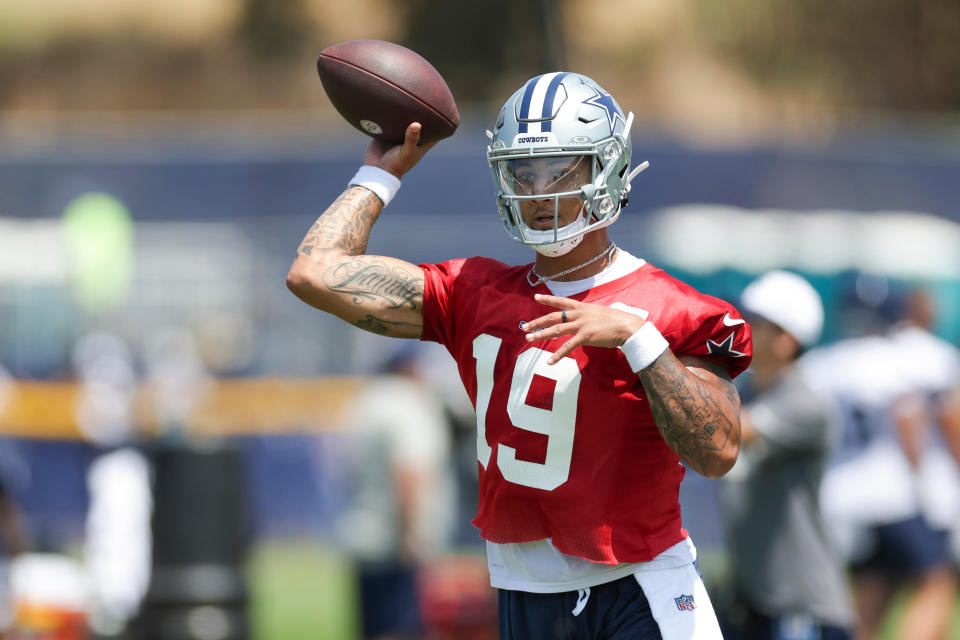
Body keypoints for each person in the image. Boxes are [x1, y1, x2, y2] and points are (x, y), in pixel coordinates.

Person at [287, 72, 752, 639]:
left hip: (640, 588)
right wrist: (379, 174)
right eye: (522, 172)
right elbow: (314, 273)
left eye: (561, 170)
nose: (539, 191)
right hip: (524, 595)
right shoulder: (473, 293)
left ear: (606, 168)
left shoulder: (669, 308)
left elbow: (719, 452)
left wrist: (641, 341)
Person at [802, 279, 958, 640]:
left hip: (838, 498)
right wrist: (925, 486)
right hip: (890, 497)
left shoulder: (820, 365)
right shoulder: (898, 361)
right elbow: (909, 420)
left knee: (870, 597)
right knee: (937, 583)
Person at [717, 271, 855, 640]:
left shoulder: (807, 403)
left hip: (801, 603)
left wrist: (663, 368)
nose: (743, 328)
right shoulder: (745, 390)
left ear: (786, 340)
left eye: (756, 322)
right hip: (755, 597)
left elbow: (729, 427)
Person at [336, 344, 456, 640]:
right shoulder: (409, 404)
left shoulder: (366, 401)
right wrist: (411, 535)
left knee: (374, 627)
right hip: (398, 541)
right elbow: (407, 473)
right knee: (401, 629)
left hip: (364, 532)